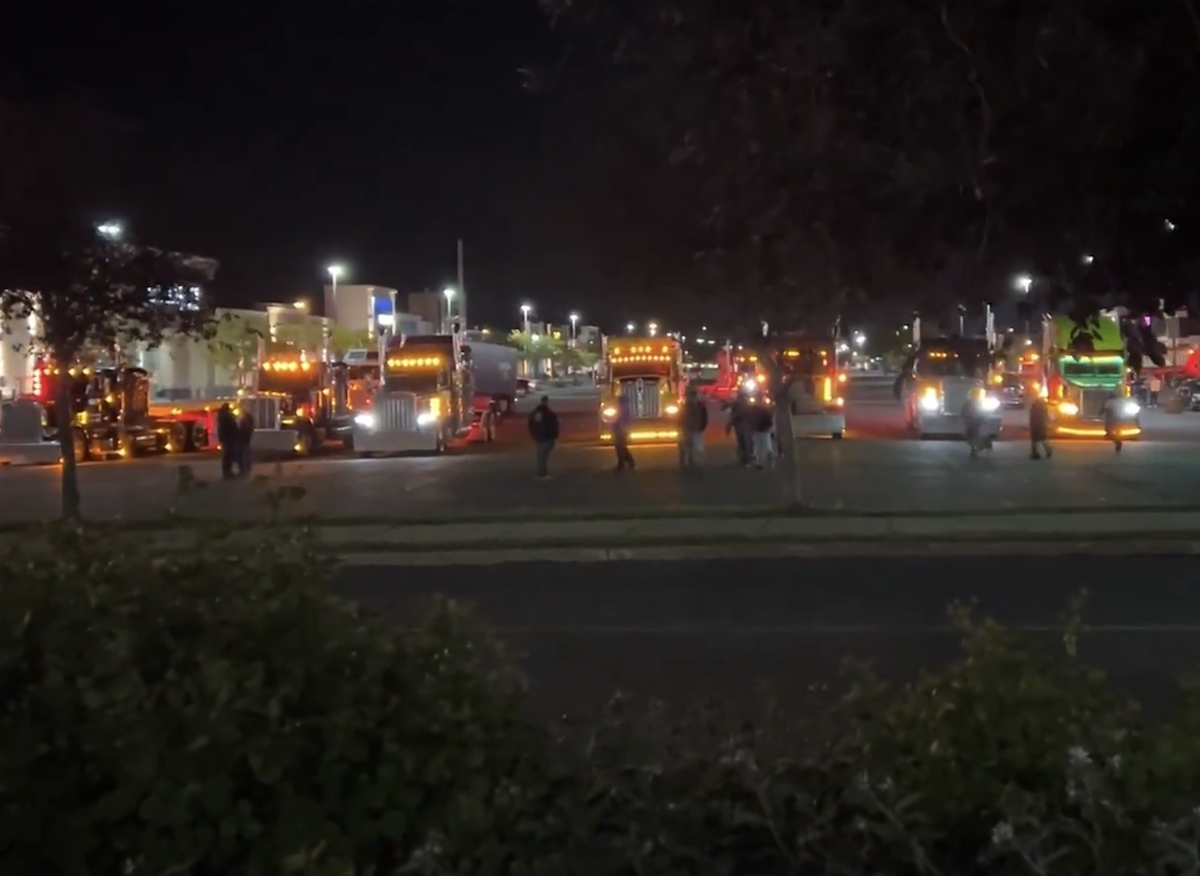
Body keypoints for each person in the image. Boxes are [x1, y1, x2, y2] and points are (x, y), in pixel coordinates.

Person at [527, 394, 560, 479]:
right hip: (547, 438)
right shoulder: (549, 414)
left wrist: (534, 435)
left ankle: (541, 473)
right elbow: (554, 425)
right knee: (542, 456)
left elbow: (531, 424)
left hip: (542, 438)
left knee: (541, 456)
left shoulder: (537, 413)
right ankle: (542, 473)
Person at [679, 387, 708, 471]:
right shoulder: (685, 406)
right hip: (688, 429)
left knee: (696, 448)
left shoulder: (700, 406)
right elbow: (680, 418)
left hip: (696, 429)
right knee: (687, 448)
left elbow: (704, 417)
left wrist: (702, 427)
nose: (691, 398)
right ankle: (688, 464)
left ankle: (697, 465)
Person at [725, 392, 752, 466]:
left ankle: (746, 459)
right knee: (744, 442)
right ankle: (745, 459)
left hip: (743, 426)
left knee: (744, 442)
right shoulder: (742, 404)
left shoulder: (742, 404)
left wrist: (729, 425)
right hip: (742, 426)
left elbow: (733, 415)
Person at [612, 394, 636, 472]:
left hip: (621, 432)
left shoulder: (624, 411)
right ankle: (628, 462)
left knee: (620, 448)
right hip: (620, 431)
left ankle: (623, 464)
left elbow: (624, 422)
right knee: (621, 447)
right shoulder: (622, 411)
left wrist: (623, 429)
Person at [216, 403, 240, 480]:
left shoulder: (222, 417)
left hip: (226, 438)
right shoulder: (226, 417)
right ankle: (227, 473)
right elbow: (231, 427)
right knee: (228, 456)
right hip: (229, 438)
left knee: (227, 456)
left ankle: (227, 472)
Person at [750, 400, 775, 469]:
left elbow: (751, 419)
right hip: (764, 430)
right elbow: (769, 419)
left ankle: (759, 462)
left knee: (758, 446)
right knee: (766, 446)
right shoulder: (765, 409)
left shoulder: (753, 409)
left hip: (758, 430)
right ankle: (767, 461)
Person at [1028, 394, 1052, 460]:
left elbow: (1032, 416)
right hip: (1041, 425)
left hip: (1035, 425)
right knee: (1043, 438)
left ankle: (1035, 453)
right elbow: (1045, 416)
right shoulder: (1043, 407)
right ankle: (1048, 450)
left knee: (1035, 440)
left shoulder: (1034, 406)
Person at [237, 408, 256, 477]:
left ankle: (245, 469)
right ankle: (247, 469)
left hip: (243, 440)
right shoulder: (250, 424)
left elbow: (242, 431)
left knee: (244, 455)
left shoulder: (245, 423)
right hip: (246, 440)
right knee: (247, 455)